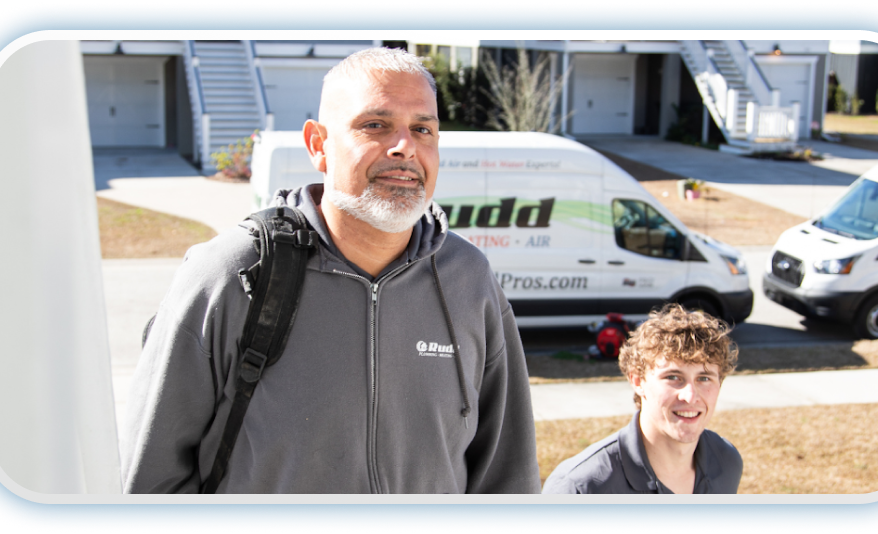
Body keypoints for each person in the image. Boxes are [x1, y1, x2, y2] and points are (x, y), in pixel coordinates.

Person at [120, 47, 541, 494]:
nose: (405, 147)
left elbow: (508, 477)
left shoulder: (468, 278)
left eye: (423, 129)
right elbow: (151, 483)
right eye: (375, 125)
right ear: (318, 145)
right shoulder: (231, 273)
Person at [542, 304, 742, 494]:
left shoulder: (726, 461)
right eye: (673, 377)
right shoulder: (579, 489)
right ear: (637, 380)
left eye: (704, 378)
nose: (690, 396)